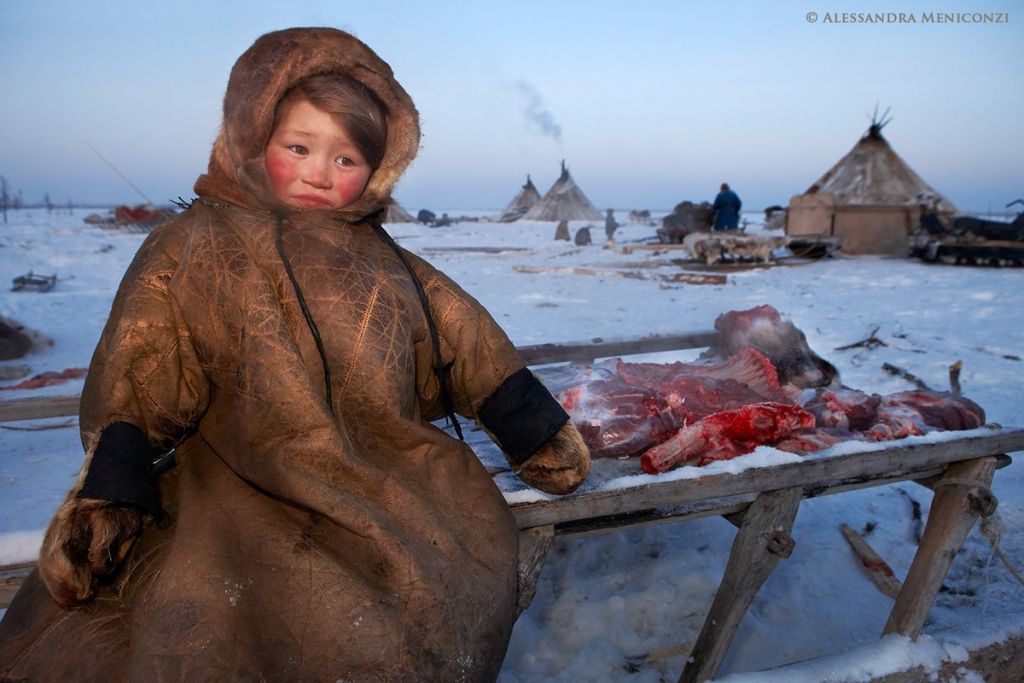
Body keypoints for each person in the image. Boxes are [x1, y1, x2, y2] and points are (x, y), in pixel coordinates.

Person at [0, 27, 590, 682]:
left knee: (433, 595)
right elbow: (143, 360)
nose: (320, 172)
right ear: (253, 138)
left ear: (380, 165)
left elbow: (464, 336)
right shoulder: (192, 245)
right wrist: (113, 481)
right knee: (203, 620)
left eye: (346, 159)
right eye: (299, 147)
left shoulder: (388, 262)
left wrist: (528, 421)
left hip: (395, 472)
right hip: (240, 478)